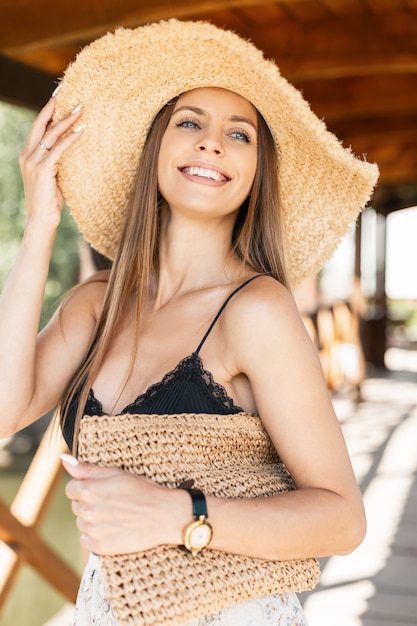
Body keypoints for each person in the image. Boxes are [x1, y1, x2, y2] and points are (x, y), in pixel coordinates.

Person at [0, 19, 378, 626]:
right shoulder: (94, 305)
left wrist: (179, 514)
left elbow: (342, 520)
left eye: (240, 134)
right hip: (108, 609)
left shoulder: (257, 311)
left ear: (256, 172)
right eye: (189, 122)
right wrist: (41, 225)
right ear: (156, 151)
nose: (212, 143)